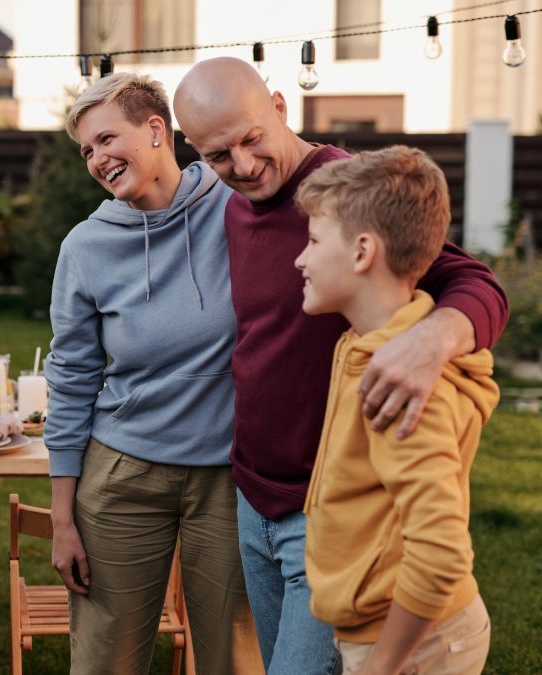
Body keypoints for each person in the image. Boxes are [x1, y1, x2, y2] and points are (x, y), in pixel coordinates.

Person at [173, 57, 508, 674]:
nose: (242, 167)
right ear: (193, 151)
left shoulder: (344, 194)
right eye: (219, 156)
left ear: (278, 105)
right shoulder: (233, 203)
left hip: (330, 511)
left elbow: (474, 281)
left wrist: (432, 338)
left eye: (251, 140)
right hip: (254, 496)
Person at [45, 71, 253, 674]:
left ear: (157, 129)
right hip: (122, 473)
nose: (98, 158)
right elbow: (73, 376)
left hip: (230, 474)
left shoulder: (236, 204)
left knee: (235, 656)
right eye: (87, 150)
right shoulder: (85, 247)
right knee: (106, 658)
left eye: (108, 138)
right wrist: (62, 521)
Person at [294, 146, 497, 674]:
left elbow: (441, 554)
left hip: (414, 645)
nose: (301, 258)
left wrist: (383, 666)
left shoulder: (397, 383)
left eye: (314, 241)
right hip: (393, 630)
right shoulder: (368, 346)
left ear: (363, 252)